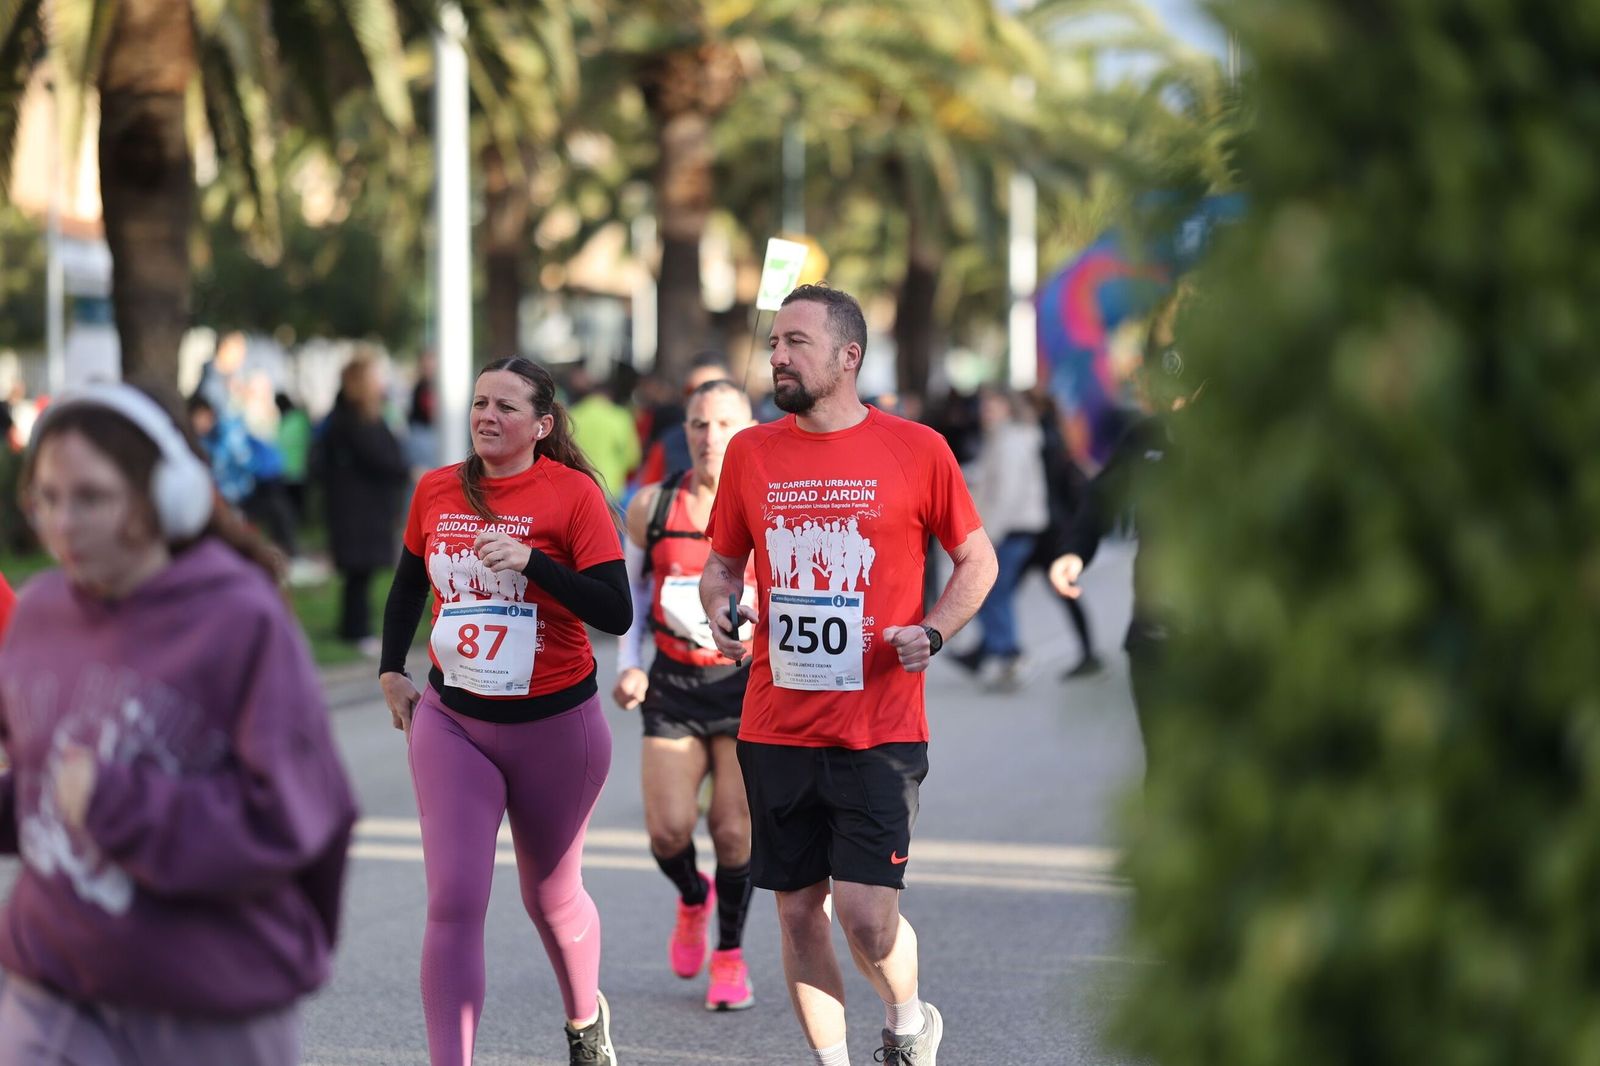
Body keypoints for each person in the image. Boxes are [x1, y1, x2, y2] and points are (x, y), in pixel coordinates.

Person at [0, 381, 356, 1065]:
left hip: (203, 1002)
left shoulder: (239, 620)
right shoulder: (40, 615)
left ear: (166, 497)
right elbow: (47, 792)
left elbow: (295, 819)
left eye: (91, 497)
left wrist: (120, 804)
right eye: (46, 499)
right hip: (52, 986)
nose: (63, 523)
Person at [698, 284, 998, 1066]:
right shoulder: (752, 453)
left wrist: (932, 631)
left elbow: (978, 560)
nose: (779, 356)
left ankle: (907, 1021)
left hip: (880, 726)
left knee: (867, 917)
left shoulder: (917, 448)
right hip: (774, 723)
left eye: (797, 343)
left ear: (848, 356)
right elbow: (721, 564)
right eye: (775, 344)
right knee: (799, 915)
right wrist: (723, 606)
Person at [377, 357, 632, 1066]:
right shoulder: (435, 490)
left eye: (507, 407)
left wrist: (532, 562)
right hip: (455, 721)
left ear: (542, 425)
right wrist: (390, 670)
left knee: (550, 898)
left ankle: (586, 1022)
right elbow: (405, 589)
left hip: (556, 727)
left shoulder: (573, 495)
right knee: (454, 902)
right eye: (480, 402)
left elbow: (616, 610)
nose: (488, 416)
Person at [612, 379, 759, 1012]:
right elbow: (634, 598)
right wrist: (628, 664)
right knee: (669, 831)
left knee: (733, 833)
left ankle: (729, 954)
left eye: (725, 424)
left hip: (747, 686)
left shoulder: (770, 503)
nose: (710, 437)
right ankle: (693, 896)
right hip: (672, 682)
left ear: (748, 429)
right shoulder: (653, 504)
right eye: (700, 424)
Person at [1048, 318, 1201, 774]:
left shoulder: (1241, 446)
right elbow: (1103, 496)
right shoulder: (1145, 438)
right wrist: (1075, 551)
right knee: (1164, 767)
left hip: (1222, 640)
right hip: (1154, 633)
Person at [953, 387, 1050, 690]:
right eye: (984, 406)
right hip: (1016, 527)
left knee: (990, 593)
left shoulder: (1009, 441)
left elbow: (1006, 494)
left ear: (1008, 408)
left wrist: (987, 536)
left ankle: (1010, 655)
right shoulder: (1005, 438)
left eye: (992, 406)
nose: (985, 412)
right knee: (995, 594)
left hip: (1009, 529)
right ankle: (1002, 655)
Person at [316, 353, 411, 657]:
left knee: (362, 574)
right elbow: (379, 457)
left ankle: (354, 628)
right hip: (356, 509)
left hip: (366, 506)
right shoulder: (350, 420)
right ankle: (357, 630)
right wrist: (405, 470)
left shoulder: (367, 415)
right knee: (358, 571)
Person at [632, 352, 737, 489]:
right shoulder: (667, 444)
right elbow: (648, 495)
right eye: (691, 391)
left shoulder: (753, 442)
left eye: (713, 388)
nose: (702, 398)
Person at [567, 367, 641, 505]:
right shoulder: (620, 417)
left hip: (578, 486)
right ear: (610, 395)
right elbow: (633, 457)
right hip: (611, 487)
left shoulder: (572, 415)